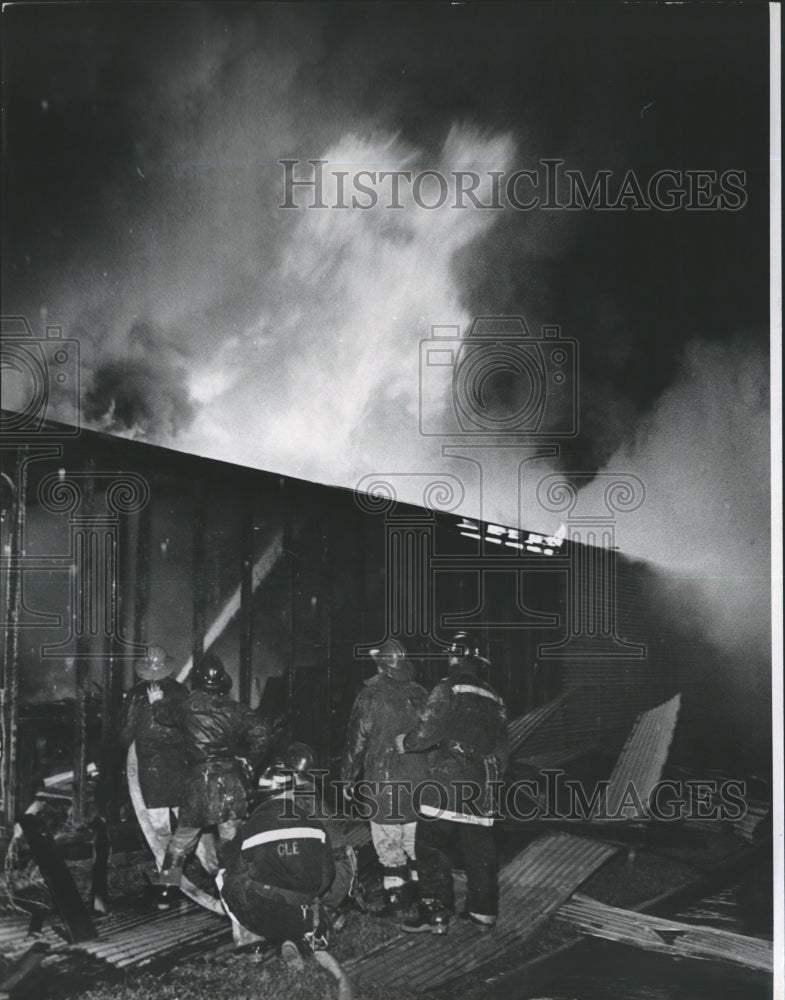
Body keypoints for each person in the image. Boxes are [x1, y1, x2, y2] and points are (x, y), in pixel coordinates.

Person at [217, 743, 355, 999]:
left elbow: (233, 865)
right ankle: (306, 932)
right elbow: (326, 875)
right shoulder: (313, 817)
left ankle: (253, 940)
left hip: (263, 913)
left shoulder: (250, 826)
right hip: (305, 906)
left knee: (229, 875)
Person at [394, 632, 509, 934]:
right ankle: (483, 912)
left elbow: (429, 728)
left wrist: (406, 743)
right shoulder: (495, 696)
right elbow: (502, 749)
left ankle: (436, 913)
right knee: (479, 849)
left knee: (429, 844)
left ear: (455, 658)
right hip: (482, 783)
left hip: (448, 777)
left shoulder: (448, 687)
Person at [148, 651, 271, 887]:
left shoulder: (185, 706)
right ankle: (231, 890)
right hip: (231, 784)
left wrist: (156, 703)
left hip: (198, 785)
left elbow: (164, 715)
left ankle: (166, 889)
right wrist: (249, 761)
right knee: (231, 841)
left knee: (181, 841)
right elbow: (262, 733)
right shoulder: (236, 709)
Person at [341, 638, 429, 914]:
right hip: (418, 781)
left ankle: (396, 898)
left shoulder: (370, 695)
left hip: (384, 781)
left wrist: (347, 777)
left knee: (388, 841)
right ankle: (419, 894)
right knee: (414, 841)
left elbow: (357, 740)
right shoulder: (421, 693)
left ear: (381, 665)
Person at [119, 644, 188, 842]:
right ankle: (208, 866)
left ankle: (167, 868)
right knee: (187, 823)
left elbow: (125, 733)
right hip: (179, 765)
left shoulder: (135, 695)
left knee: (160, 829)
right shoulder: (182, 691)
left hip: (151, 768)